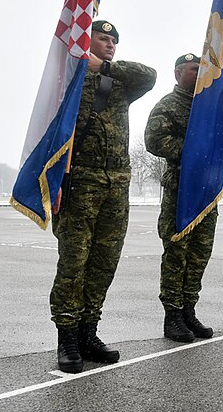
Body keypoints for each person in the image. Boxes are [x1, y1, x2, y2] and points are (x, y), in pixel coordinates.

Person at [51, 20, 156, 373]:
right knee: (73, 263)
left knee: (104, 263)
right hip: (80, 180)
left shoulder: (118, 82)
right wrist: (54, 186)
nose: (110, 44)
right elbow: (50, 135)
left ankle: (87, 331)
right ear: (86, 40)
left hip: (116, 183)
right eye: (102, 38)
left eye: (114, 41)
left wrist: (106, 66)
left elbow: (150, 75)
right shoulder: (67, 80)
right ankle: (66, 335)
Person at [145, 53, 216, 343]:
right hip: (181, 190)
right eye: (192, 68)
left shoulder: (210, 105)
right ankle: (172, 315)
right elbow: (154, 141)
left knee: (199, 254)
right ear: (177, 73)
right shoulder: (168, 105)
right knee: (177, 254)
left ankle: (189, 309)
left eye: (201, 67)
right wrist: (192, 151)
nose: (198, 71)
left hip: (207, 191)